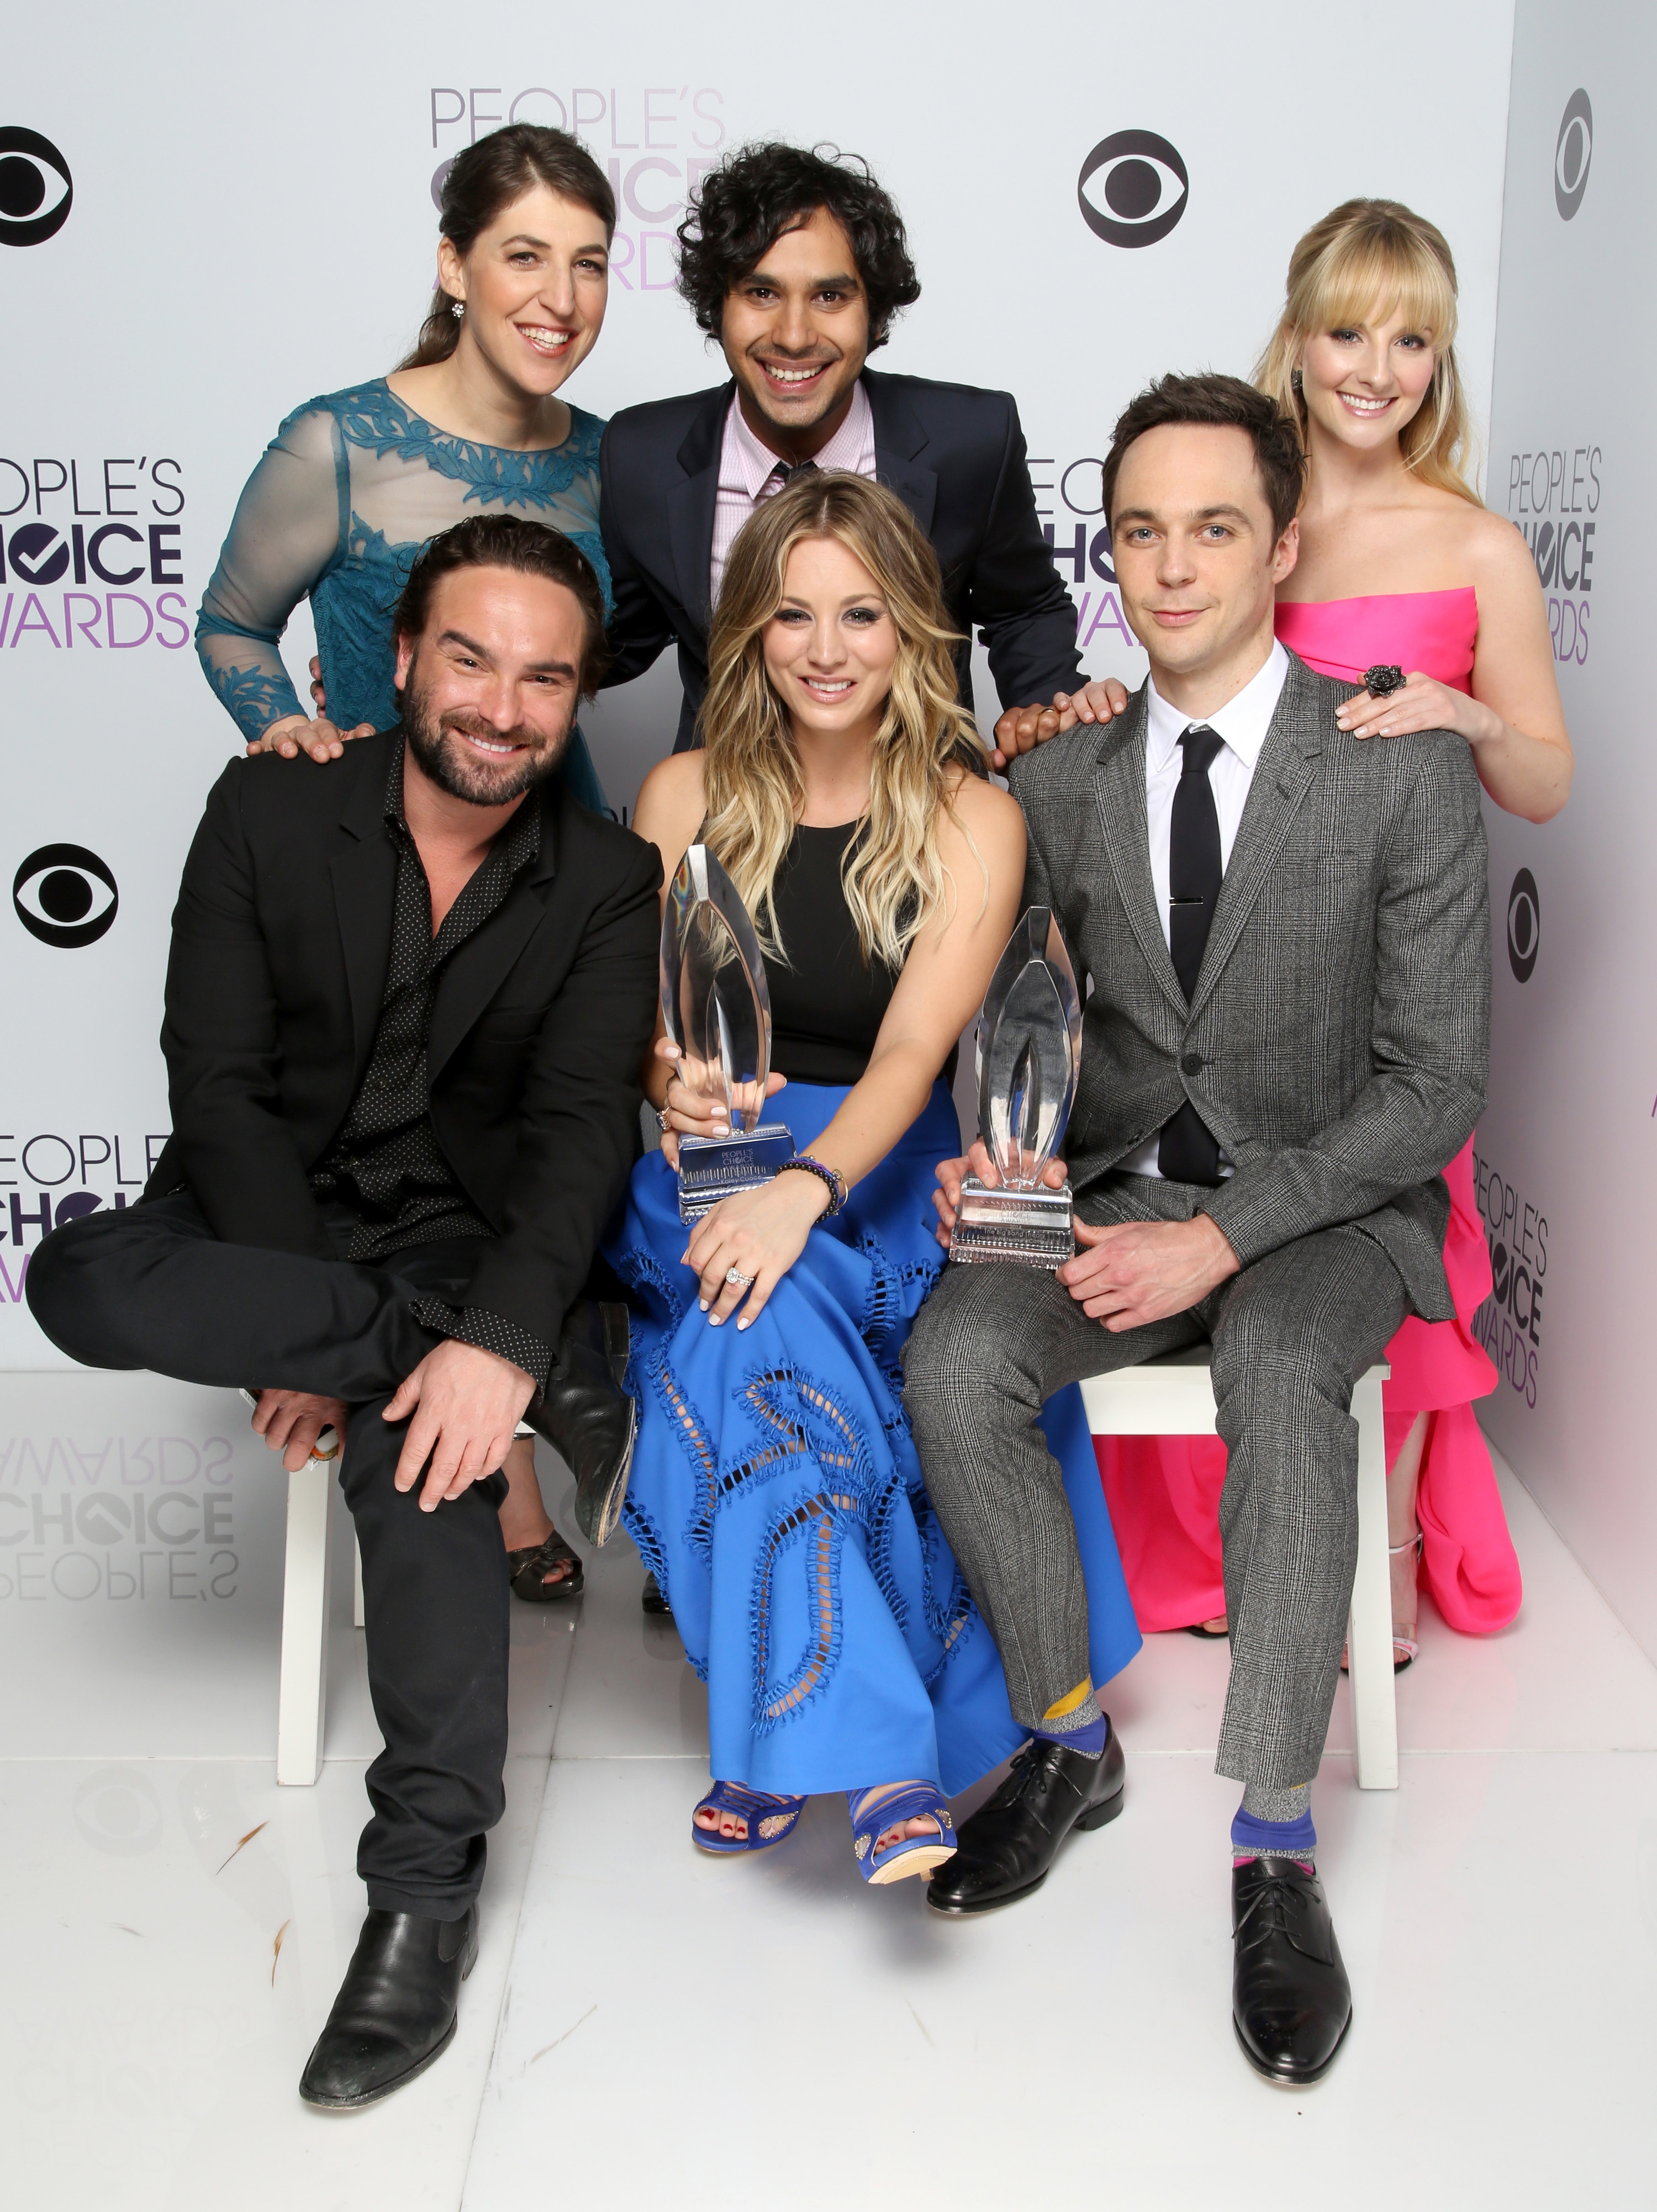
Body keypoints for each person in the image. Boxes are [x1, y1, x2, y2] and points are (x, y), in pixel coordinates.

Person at [29, 517, 662, 2109]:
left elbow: (586, 1132)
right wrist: (311, 1326)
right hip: (272, 1216)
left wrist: (490, 1322)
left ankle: (423, 1891)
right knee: (78, 1274)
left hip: (467, 1236)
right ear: (399, 655)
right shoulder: (269, 803)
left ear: (578, 697)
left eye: (543, 678)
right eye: (469, 657)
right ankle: (464, 1364)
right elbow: (218, 1079)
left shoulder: (607, 876)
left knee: (428, 1456)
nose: (502, 706)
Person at [902, 375, 1489, 2084]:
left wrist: (1222, 1239)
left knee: (1289, 1372)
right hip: (1106, 1199)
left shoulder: (1392, 764)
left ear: (1280, 542)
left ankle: (1273, 1840)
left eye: (1214, 528)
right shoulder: (1062, 773)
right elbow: (1005, 1011)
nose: (1171, 566)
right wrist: (986, 1164)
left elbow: (1435, 1083)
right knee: (953, 1359)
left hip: (1323, 1207)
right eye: (1140, 530)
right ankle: (1065, 1740)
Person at [609, 472, 1140, 1877]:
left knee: (777, 1323)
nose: (825, 647)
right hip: (713, 1165)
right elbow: (640, 1034)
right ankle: (885, 1753)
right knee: (746, 1289)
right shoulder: (680, 795)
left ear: (909, 628)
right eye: (790, 615)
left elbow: (911, 1055)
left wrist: (805, 1192)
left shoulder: (974, 815)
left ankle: (786, 1738)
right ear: (749, 633)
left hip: (882, 1167)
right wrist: (680, 1088)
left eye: (859, 613)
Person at [1092, 202, 1570, 1665]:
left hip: (1395, 964)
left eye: (1412, 337)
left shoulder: (1477, 543)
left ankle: (1386, 1550)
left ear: (1441, 356)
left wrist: (1468, 711)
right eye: (1349, 329)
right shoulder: (1239, 509)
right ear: (1298, 334)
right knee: (1208, 1231)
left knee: (1401, 1248)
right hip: (1226, 961)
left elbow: (1544, 780)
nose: (1377, 366)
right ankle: (1216, 1550)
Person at [196, 123, 631, 1600]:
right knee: (387, 1135)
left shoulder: (601, 457)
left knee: (525, 1150)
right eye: (524, 255)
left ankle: (509, 1401)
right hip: (372, 865)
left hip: (543, 868)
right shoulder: (340, 436)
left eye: (588, 264)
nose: (560, 295)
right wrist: (291, 735)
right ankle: (490, 1454)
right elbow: (231, 622)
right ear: (453, 267)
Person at [598, 141, 1126, 768]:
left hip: (929, 814)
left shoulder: (972, 439)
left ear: (875, 314)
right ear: (719, 305)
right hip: (729, 810)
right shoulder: (644, 454)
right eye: (761, 293)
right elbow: (617, 638)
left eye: (830, 297)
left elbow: (1025, 607)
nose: (794, 336)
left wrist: (1045, 714)